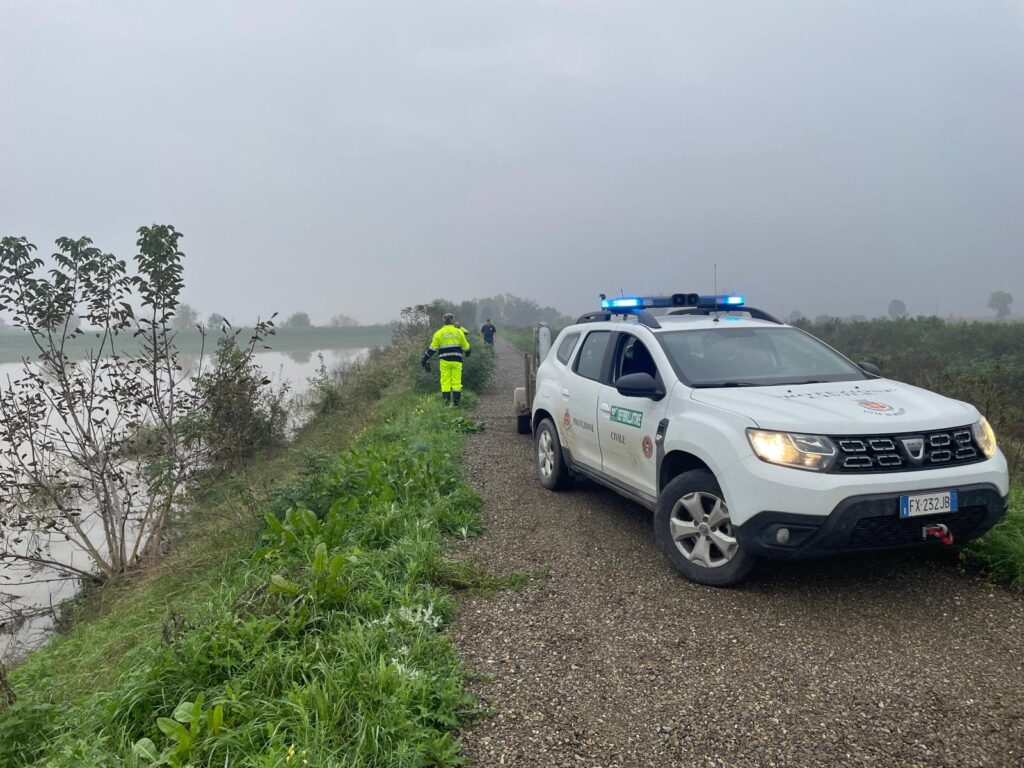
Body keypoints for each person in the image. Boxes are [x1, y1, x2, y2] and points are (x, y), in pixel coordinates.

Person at [421, 313, 471, 406]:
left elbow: (432, 349)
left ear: (443, 321)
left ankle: (446, 404)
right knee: (456, 382)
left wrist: (424, 359)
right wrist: (468, 352)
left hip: (444, 362)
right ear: (453, 320)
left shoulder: (439, 333)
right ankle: (457, 404)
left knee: (445, 382)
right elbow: (466, 347)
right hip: (457, 361)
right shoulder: (459, 332)